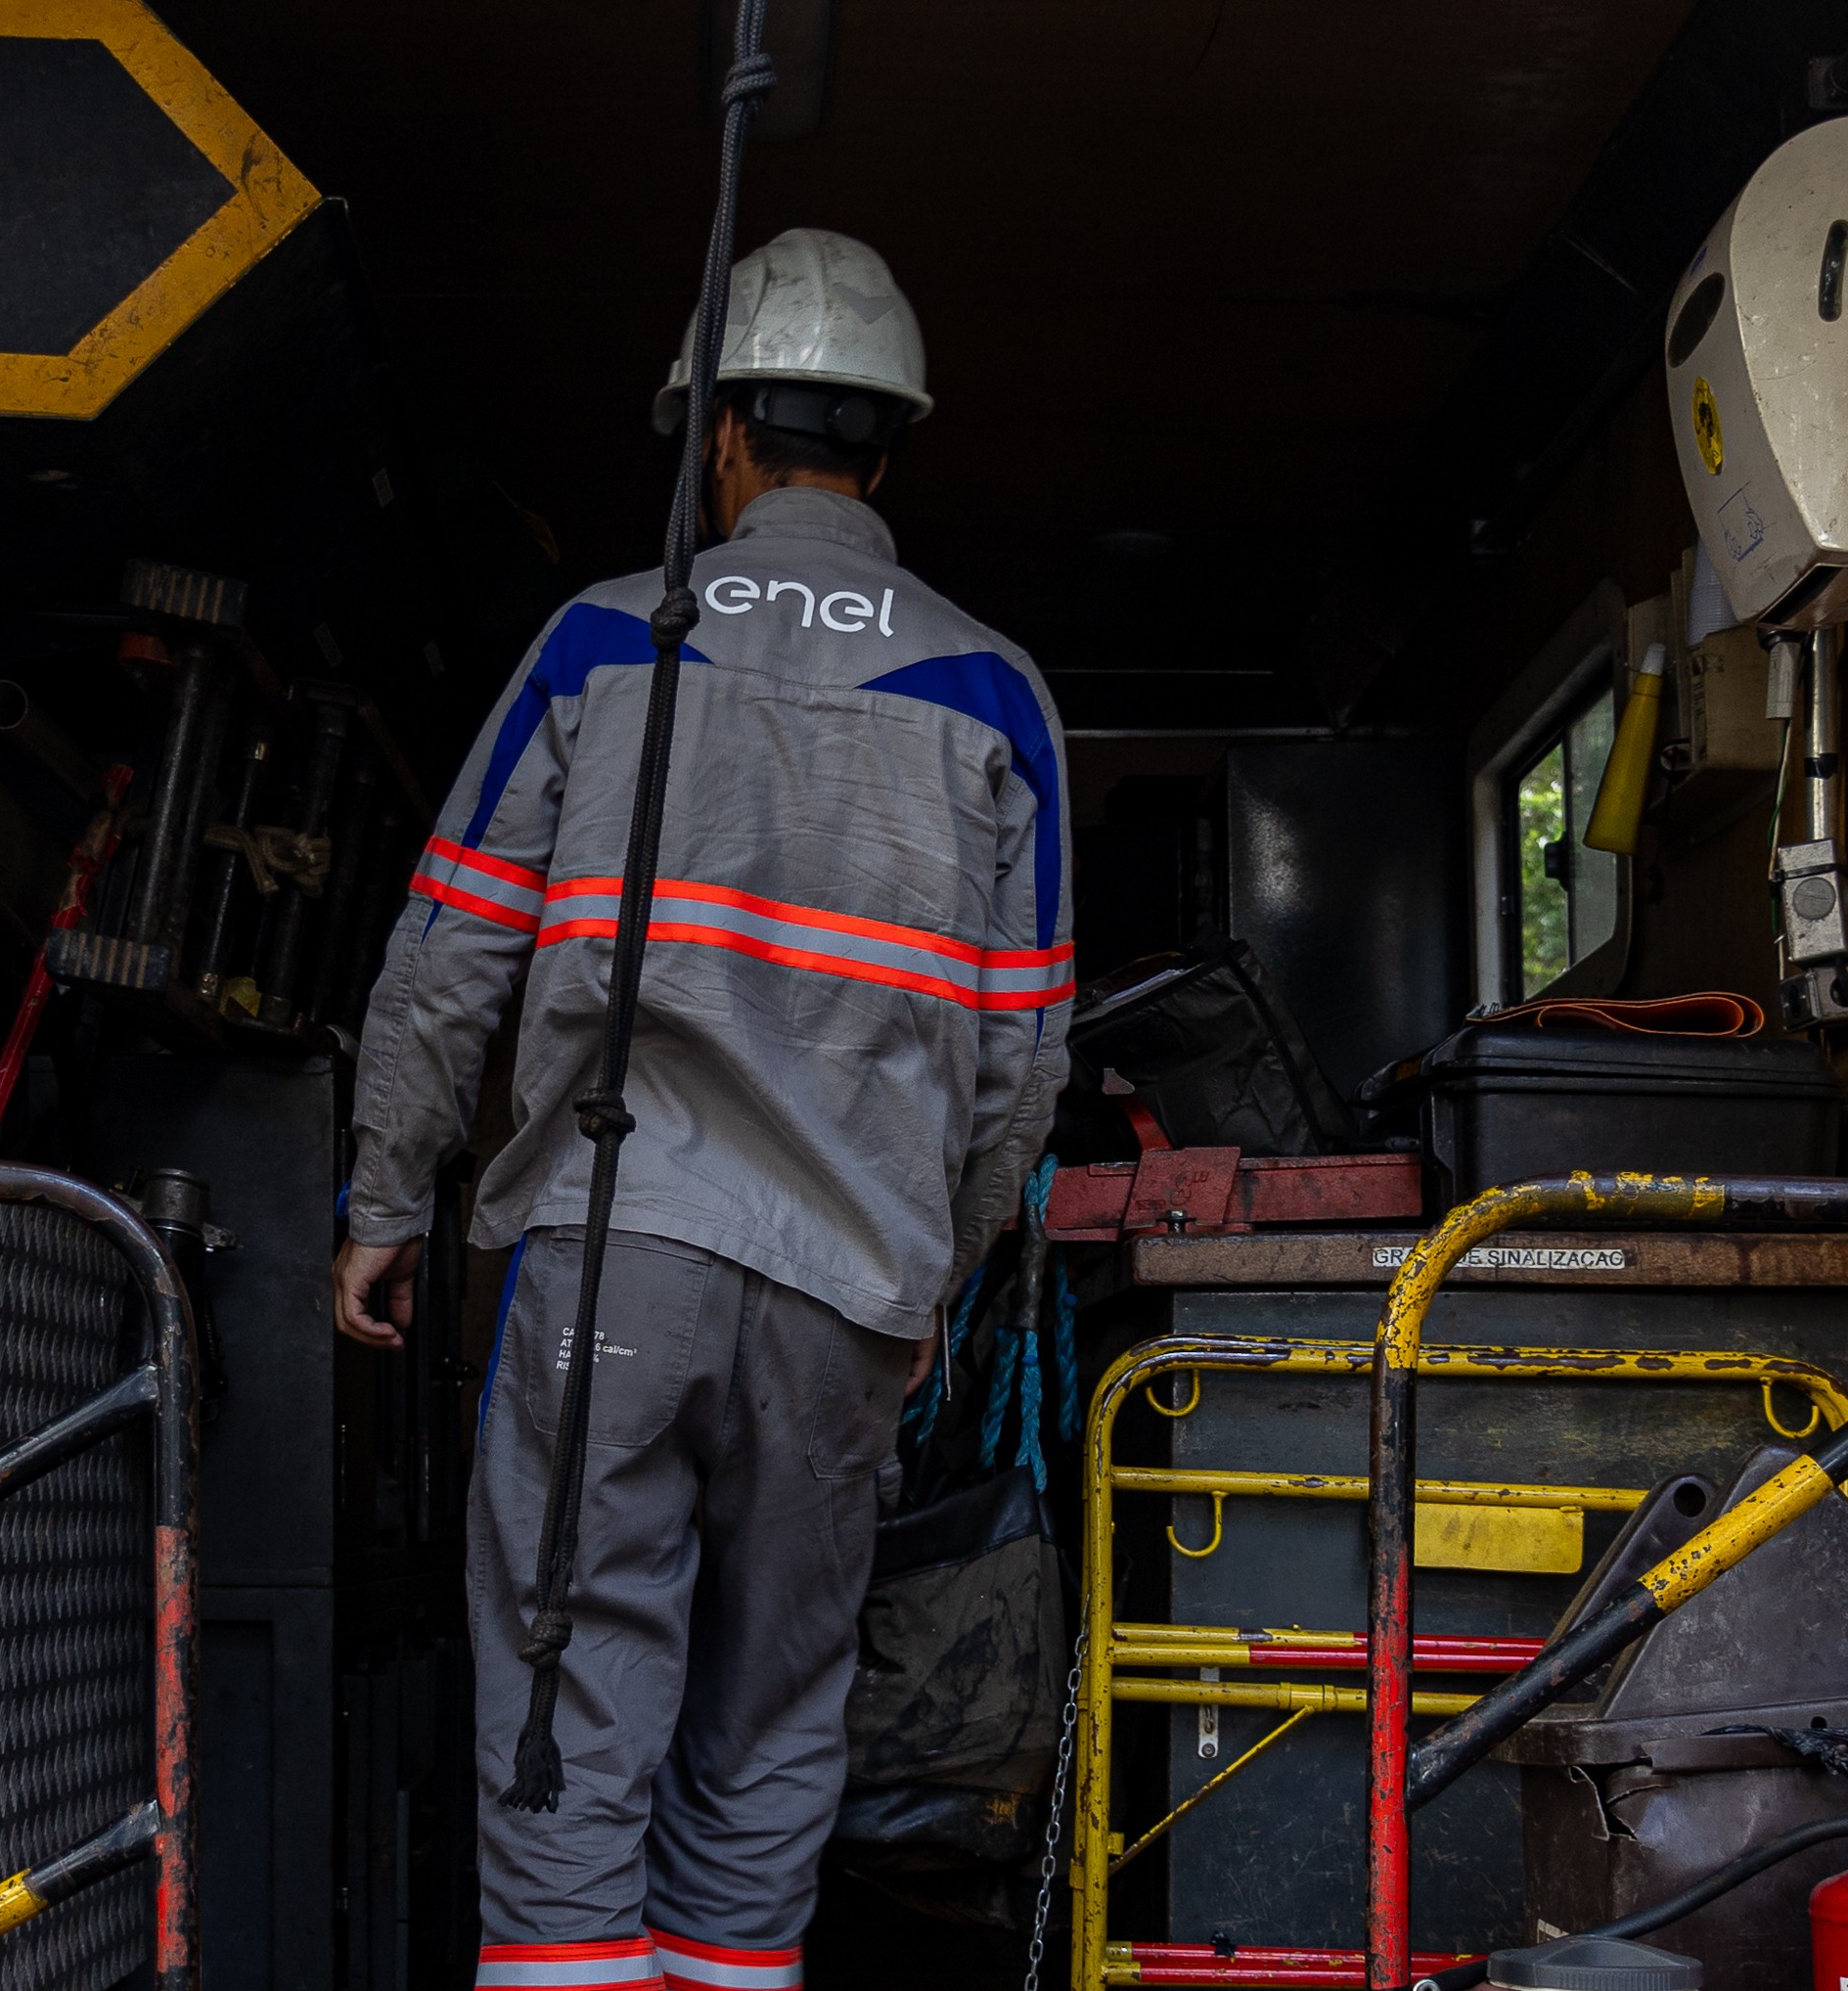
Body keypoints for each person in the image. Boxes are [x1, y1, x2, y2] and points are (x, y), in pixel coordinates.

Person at [332, 226, 1071, 1991]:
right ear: (887, 447)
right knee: (773, 1715)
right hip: (843, 1298)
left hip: (614, 1262)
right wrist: (930, 1279)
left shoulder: (603, 641)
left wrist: (383, 1197)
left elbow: (449, 953)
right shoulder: (994, 689)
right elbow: (1024, 1063)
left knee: (572, 1703)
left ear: (718, 440)